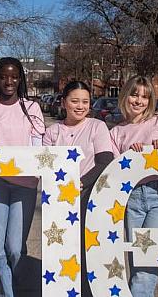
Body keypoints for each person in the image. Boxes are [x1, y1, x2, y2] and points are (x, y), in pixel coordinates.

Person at [109, 75, 158, 297]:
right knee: (136, 261)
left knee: (149, 262)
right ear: (125, 96)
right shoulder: (116, 132)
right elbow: (116, 172)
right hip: (131, 197)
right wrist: (128, 156)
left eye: (145, 96)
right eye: (134, 94)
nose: (139, 100)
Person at [0, 57, 45, 297]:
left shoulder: (32, 108)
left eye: (14, 76)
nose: (9, 81)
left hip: (25, 185)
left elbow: (39, 147)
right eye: (4, 76)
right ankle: (6, 292)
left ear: (20, 79)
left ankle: (11, 281)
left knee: (14, 247)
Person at [43, 81, 113, 297]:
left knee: (86, 250)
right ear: (64, 103)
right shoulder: (53, 131)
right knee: (61, 249)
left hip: (88, 196)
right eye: (74, 101)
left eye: (85, 101)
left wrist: (81, 182)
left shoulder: (96, 126)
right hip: (58, 200)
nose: (80, 106)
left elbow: (105, 160)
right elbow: (45, 165)